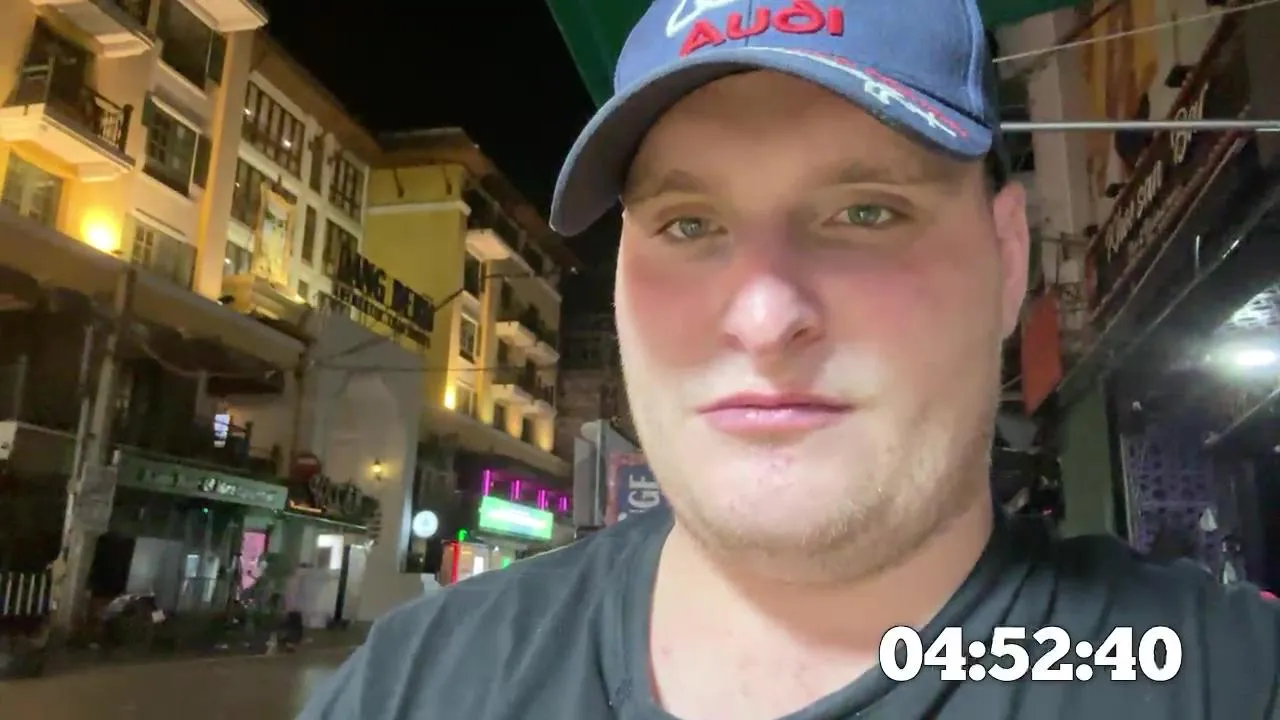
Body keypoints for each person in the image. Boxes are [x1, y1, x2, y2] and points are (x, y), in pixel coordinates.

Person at [299, 0, 1280, 718]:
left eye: (866, 212)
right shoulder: (414, 687)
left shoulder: (1224, 682)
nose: (765, 317)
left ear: (1007, 256)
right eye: (689, 223)